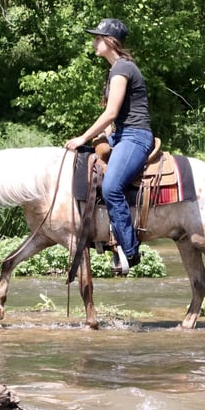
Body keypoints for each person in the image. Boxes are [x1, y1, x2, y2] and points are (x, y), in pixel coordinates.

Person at [64, 18, 154, 271]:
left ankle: (129, 249)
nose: (94, 42)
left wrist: (83, 137)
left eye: (98, 38)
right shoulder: (115, 70)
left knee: (113, 186)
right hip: (121, 134)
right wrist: (98, 138)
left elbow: (111, 113)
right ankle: (99, 233)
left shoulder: (122, 69)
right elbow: (110, 120)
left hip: (135, 136)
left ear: (110, 42)